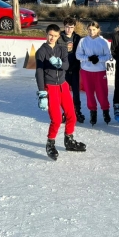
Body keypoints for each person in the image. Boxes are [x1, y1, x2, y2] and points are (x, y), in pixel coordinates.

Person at [36, 24, 86, 161]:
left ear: (59, 36)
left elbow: (66, 65)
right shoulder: (41, 51)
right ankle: (50, 143)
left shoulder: (61, 49)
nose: (52, 38)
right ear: (46, 34)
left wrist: (59, 64)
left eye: (55, 35)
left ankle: (69, 141)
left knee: (72, 116)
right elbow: (39, 73)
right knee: (57, 119)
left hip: (63, 85)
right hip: (50, 87)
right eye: (50, 35)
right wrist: (42, 93)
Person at [76, 21, 111, 126]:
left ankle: (106, 112)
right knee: (89, 94)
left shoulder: (103, 41)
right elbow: (78, 55)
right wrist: (88, 58)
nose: (92, 31)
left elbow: (108, 56)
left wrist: (98, 59)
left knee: (102, 93)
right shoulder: (83, 41)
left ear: (98, 30)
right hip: (86, 71)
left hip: (99, 72)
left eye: (94, 29)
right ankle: (93, 113)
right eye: (90, 29)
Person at [57, 17, 85, 123]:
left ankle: (77, 111)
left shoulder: (78, 38)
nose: (69, 29)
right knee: (64, 93)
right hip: (62, 71)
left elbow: (81, 54)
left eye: (71, 27)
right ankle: (65, 112)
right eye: (67, 27)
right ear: (64, 27)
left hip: (74, 70)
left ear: (74, 27)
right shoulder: (59, 37)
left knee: (76, 93)